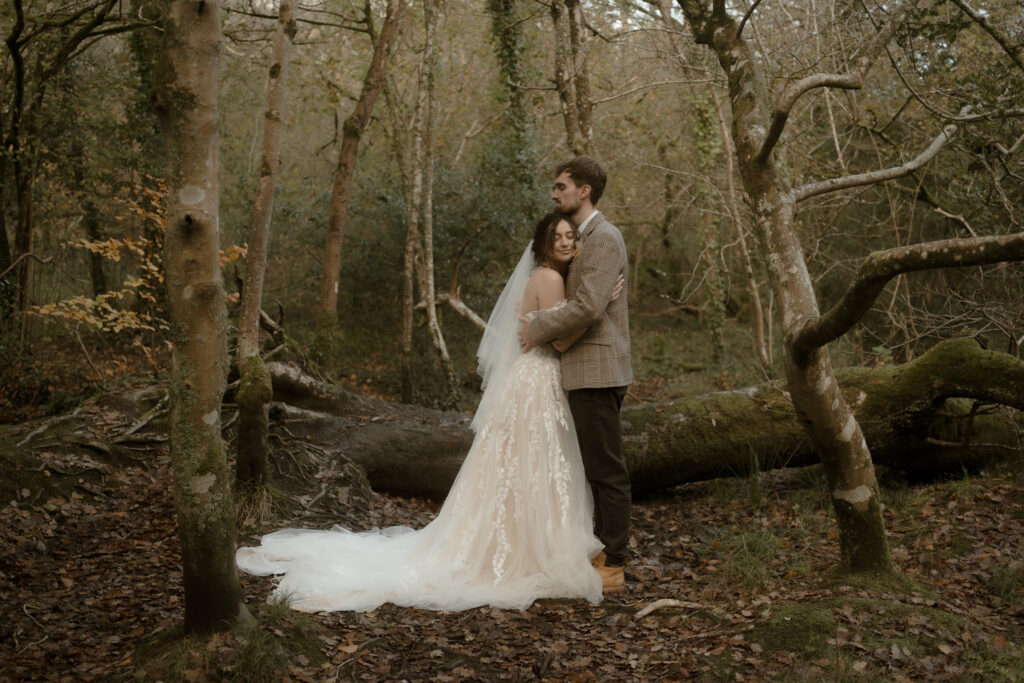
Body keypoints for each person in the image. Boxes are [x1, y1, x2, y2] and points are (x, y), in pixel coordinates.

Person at [235, 213, 619, 612]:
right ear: (542, 243)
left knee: (521, 466)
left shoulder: (541, 276)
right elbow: (560, 341)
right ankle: (531, 550)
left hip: (528, 381)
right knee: (534, 464)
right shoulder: (551, 279)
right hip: (538, 382)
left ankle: (521, 542)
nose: (565, 241)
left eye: (570, 235)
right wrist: (600, 305)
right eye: (556, 236)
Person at [519, 156, 632, 594]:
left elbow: (586, 307)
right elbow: (587, 302)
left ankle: (616, 561)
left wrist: (535, 326)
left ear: (583, 191)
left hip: (597, 369)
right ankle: (604, 548)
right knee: (594, 468)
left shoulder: (604, 238)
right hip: (580, 368)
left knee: (607, 469)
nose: (554, 193)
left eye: (560, 185)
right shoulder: (582, 240)